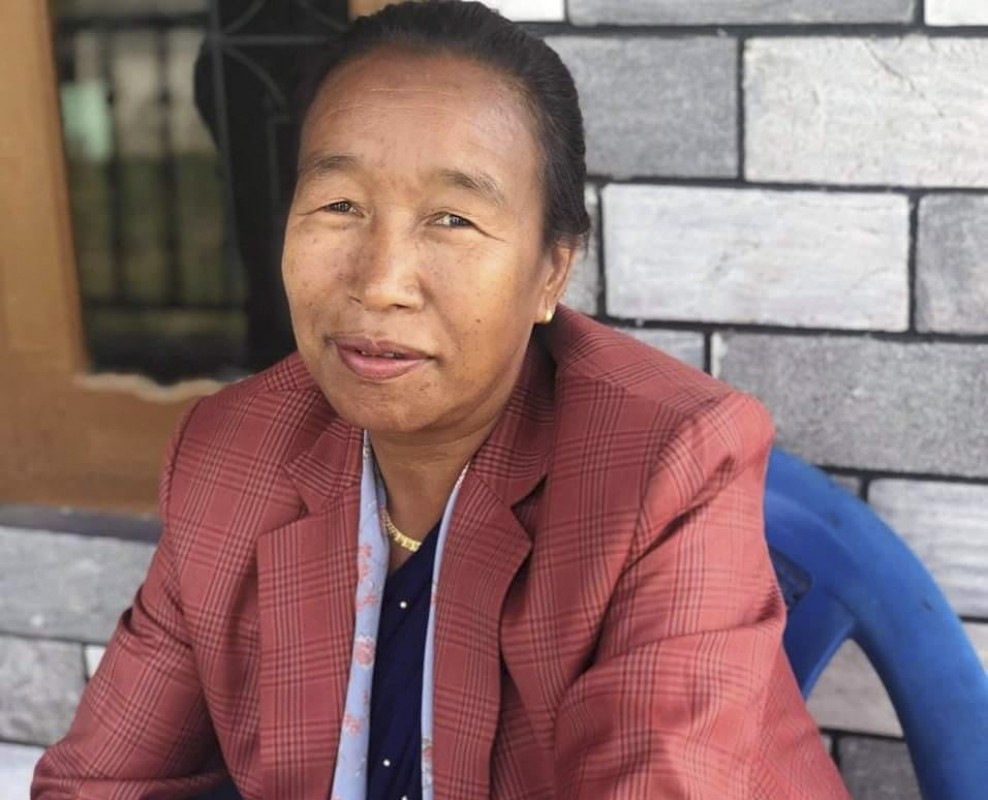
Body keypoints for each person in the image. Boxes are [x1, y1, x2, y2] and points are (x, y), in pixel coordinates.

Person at [33, 2, 849, 798]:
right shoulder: (231, 452)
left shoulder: (665, 466)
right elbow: (100, 781)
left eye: (453, 219)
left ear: (551, 271)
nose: (380, 283)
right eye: (339, 206)